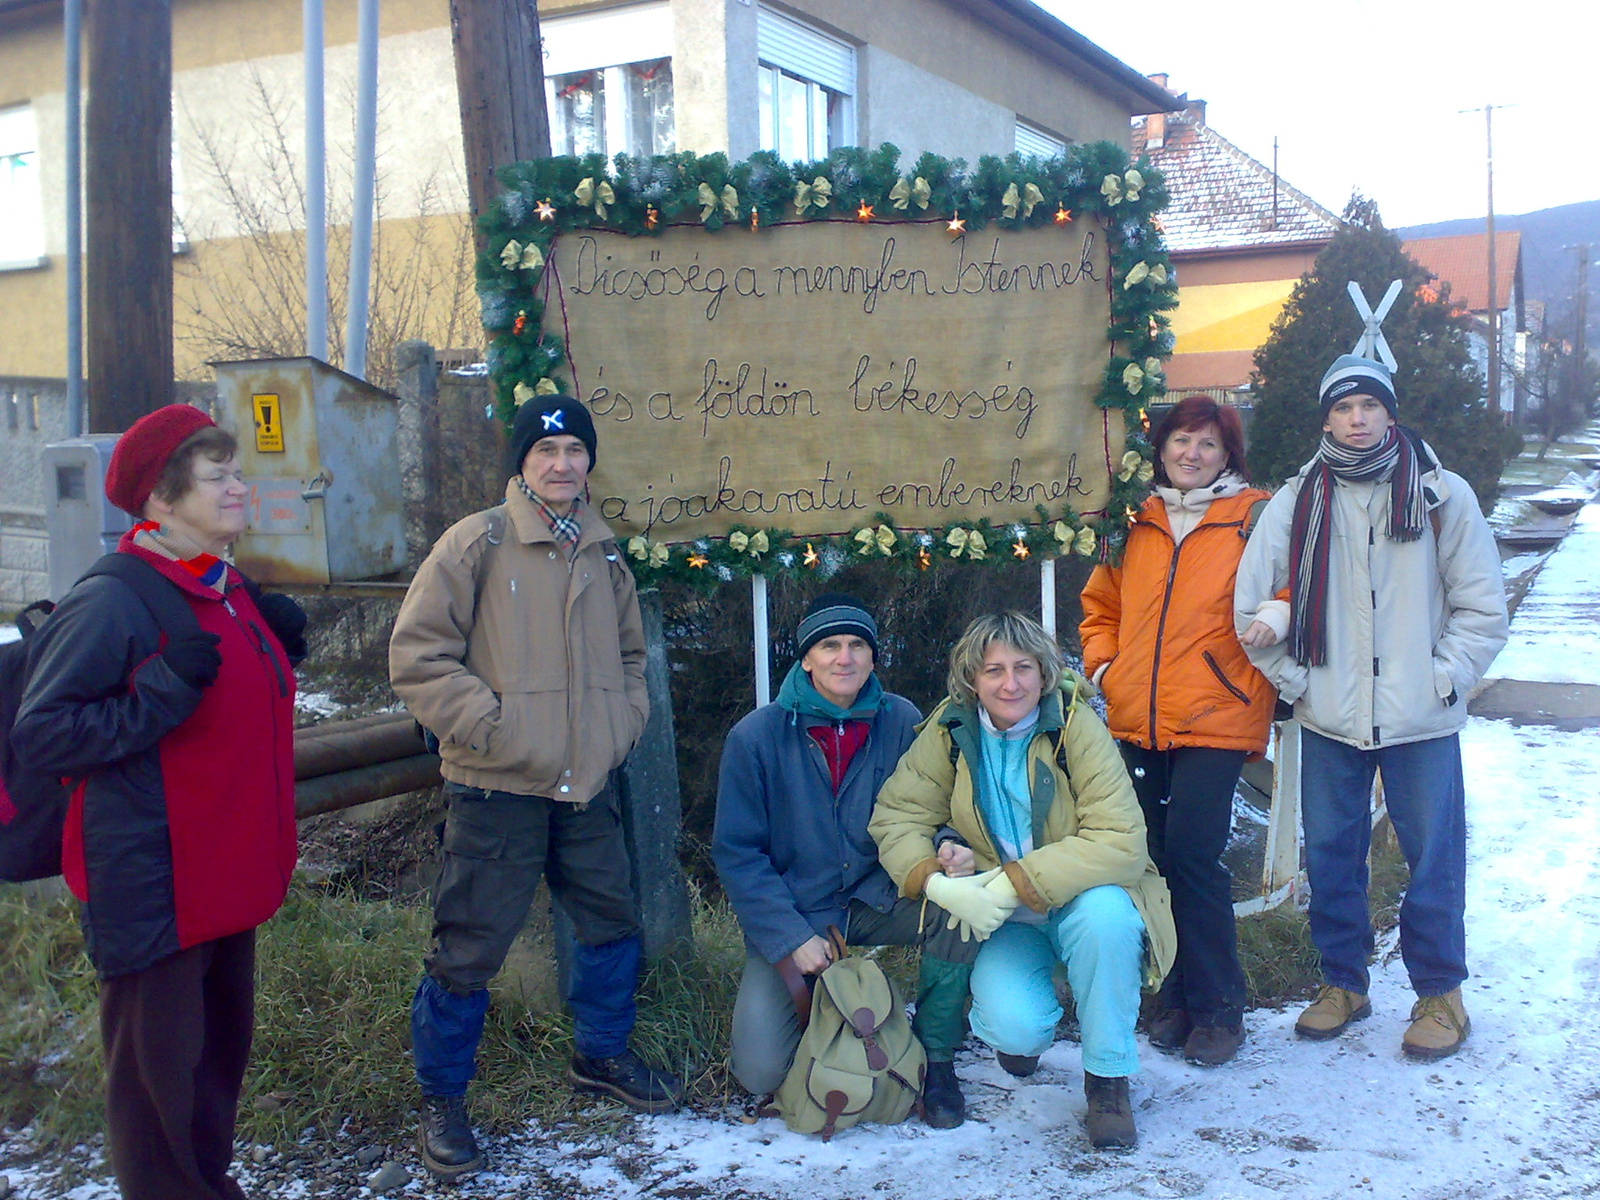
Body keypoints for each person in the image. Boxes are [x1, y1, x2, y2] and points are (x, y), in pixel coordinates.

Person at [14, 404, 305, 1200]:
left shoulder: (220, 582)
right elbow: (44, 733)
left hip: (224, 874)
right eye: (219, 478)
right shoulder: (114, 599)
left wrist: (277, 648)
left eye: (236, 472)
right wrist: (158, 695)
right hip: (156, 883)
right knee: (155, 1090)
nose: (240, 488)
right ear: (161, 500)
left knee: (212, 1067)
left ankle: (204, 1185)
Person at [389, 396, 680, 1180]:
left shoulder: (602, 549)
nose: (562, 464)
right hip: (496, 787)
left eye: (575, 450)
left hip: (586, 783)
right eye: (546, 450)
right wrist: (492, 728)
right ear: (522, 462)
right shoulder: (475, 543)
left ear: (589, 462)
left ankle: (602, 1054)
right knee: (468, 947)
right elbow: (418, 657)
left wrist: (619, 727)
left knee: (610, 920)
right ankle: (443, 1101)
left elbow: (628, 658)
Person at [1235, 354, 1507, 1060]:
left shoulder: (1443, 495)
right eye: (1342, 408)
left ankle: (1440, 993)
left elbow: (1481, 608)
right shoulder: (1296, 501)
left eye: (1370, 406)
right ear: (1325, 417)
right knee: (1330, 854)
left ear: (1391, 413)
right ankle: (1343, 983)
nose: (1356, 420)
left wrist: (1443, 680)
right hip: (1330, 715)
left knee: (1434, 856)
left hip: (1420, 716)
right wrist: (1297, 683)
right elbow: (1250, 601)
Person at [869, 612, 1176, 1150]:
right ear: (972, 678)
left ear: (1044, 672)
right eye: (994, 670)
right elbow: (898, 817)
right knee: (1016, 1028)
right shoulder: (950, 730)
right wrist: (937, 882)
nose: (1010, 684)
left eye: (1023, 668)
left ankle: (1107, 1080)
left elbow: (1122, 839)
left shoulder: (1075, 724)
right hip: (1001, 915)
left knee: (1107, 924)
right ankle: (1029, 1026)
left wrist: (1016, 881)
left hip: (1085, 895)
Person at [712, 594, 979, 1129]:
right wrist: (788, 936)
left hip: (878, 893)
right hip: (798, 911)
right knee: (760, 1070)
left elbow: (935, 802)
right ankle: (846, 1026)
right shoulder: (756, 737)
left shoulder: (901, 720)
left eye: (858, 645)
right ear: (806, 659)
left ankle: (937, 1053)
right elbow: (737, 853)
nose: (845, 658)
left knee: (962, 909)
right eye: (829, 645)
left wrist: (949, 843)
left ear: (873, 657)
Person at [1079, 397, 1276, 1066]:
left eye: (1209, 445)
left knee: (1193, 854)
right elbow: (1100, 606)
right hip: (1139, 716)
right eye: (1182, 440)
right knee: (1155, 858)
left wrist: (1275, 618)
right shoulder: (1135, 521)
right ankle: (1176, 1000)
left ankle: (1220, 1008)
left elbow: (1296, 589)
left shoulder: (1255, 517)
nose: (1192, 454)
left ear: (1230, 456)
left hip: (1217, 715)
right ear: (1160, 448)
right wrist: (1106, 668)